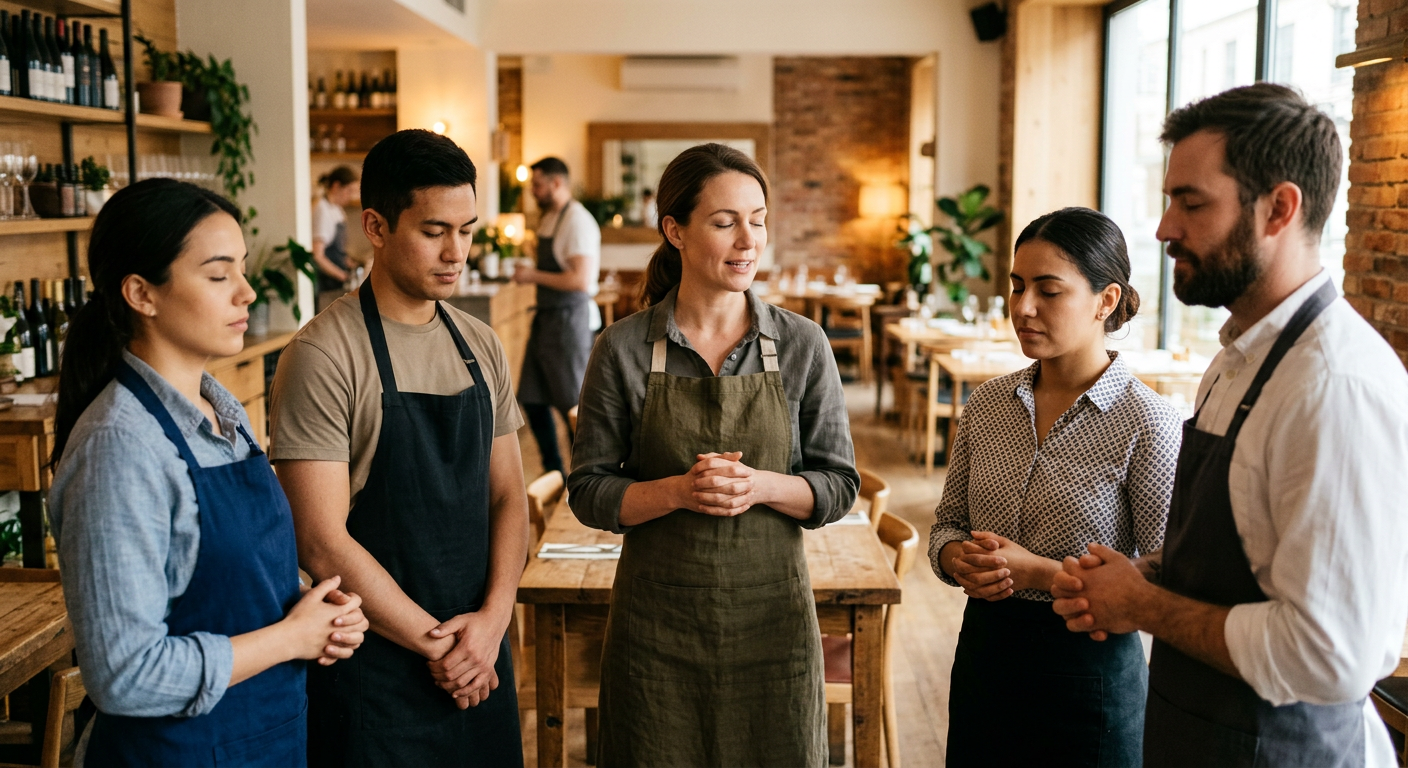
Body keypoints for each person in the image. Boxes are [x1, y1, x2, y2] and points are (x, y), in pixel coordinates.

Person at [1050, 84, 1408, 767]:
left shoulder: (1335, 386)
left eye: (1191, 202)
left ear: (1280, 208)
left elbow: (1330, 658)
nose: (1162, 228)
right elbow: (1244, 560)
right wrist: (1137, 573)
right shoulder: (1237, 359)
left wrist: (1143, 607)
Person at [48, 178, 368, 767]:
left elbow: (215, 578)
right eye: (219, 275)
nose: (246, 292)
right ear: (142, 293)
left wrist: (312, 610)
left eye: (241, 270)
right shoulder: (119, 447)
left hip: (266, 738)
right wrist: (288, 638)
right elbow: (125, 674)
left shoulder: (222, 413)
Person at [569, 143, 860, 766]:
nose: (747, 240)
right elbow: (589, 490)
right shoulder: (620, 349)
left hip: (774, 625)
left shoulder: (803, 344)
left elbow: (837, 485)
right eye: (725, 222)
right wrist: (676, 491)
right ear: (674, 230)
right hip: (654, 632)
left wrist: (759, 487)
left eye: (757, 219)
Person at [271, 130, 528, 767]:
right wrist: (445, 648)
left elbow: (508, 496)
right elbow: (321, 541)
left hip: (482, 654)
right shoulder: (323, 355)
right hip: (375, 673)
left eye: (467, 230)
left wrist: (492, 623)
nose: (457, 252)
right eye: (434, 230)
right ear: (376, 227)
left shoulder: (480, 344)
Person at [930, 206, 1181, 767]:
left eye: (1049, 291)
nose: (1023, 308)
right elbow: (946, 522)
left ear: (1105, 301)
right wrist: (953, 558)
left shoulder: (1148, 422)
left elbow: (1168, 579)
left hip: (1090, 674)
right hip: (985, 657)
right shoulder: (988, 404)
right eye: (1017, 287)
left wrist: (1039, 572)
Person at [512, 156, 601, 476]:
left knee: (572, 406)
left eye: (537, 184)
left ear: (557, 183)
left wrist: (532, 275)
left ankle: (587, 478)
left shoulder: (577, 221)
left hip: (568, 322)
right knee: (533, 401)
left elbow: (579, 280)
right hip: (546, 320)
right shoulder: (550, 218)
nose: (533, 191)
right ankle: (555, 473)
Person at [312, 165, 361, 302]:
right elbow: (318, 255)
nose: (351, 197)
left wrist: (348, 262)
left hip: (336, 282)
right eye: (349, 191)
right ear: (336, 186)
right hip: (327, 284)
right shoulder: (322, 209)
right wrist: (342, 275)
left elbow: (338, 249)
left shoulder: (337, 210)